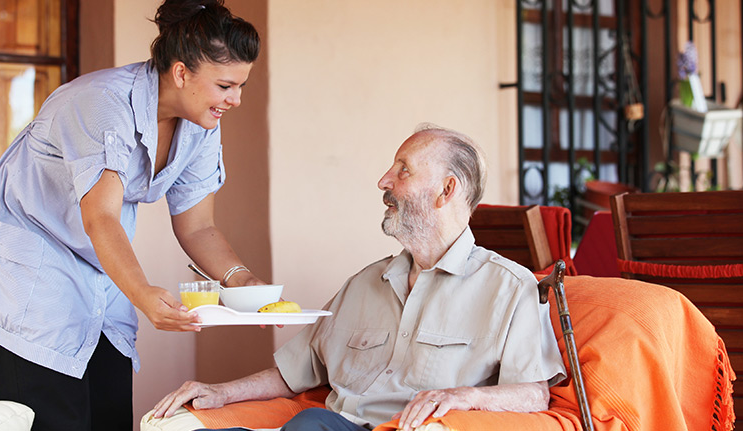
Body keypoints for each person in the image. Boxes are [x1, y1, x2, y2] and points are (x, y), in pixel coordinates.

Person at [0, 1, 265, 429]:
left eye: (241, 86)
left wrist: (243, 282)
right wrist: (142, 294)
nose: (236, 100)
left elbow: (198, 226)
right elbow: (100, 217)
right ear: (181, 73)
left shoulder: (201, 123)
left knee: (110, 409)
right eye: (226, 86)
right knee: (54, 416)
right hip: (34, 264)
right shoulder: (102, 103)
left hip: (99, 261)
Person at [151, 124, 566, 430]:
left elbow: (533, 392)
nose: (384, 181)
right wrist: (220, 392)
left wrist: (462, 398)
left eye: (403, 170)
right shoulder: (364, 284)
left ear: (447, 190)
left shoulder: (510, 288)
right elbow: (295, 371)